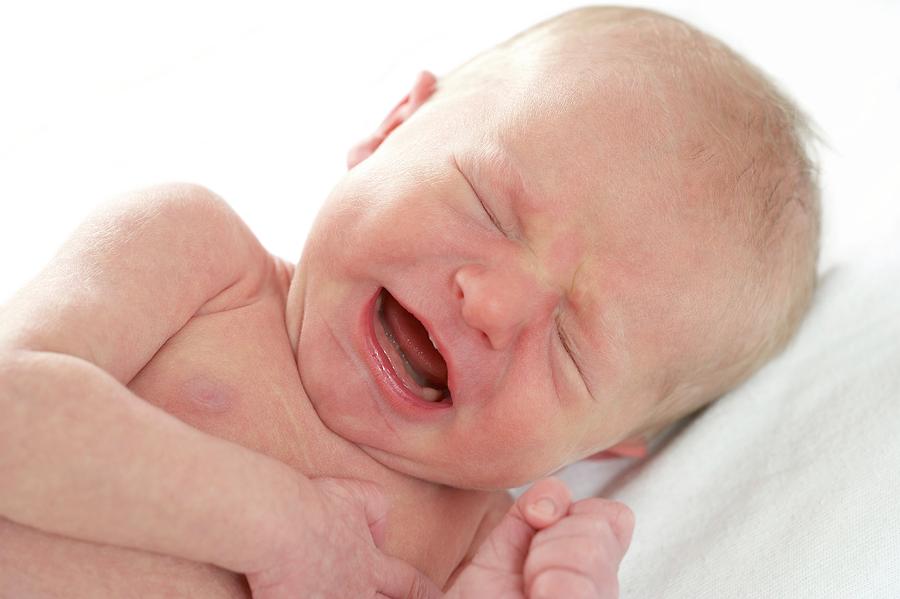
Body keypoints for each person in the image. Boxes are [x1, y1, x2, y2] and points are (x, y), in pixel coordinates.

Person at [0, 5, 819, 598]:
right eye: (488, 205)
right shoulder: (198, 261)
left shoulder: (477, 553)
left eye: (572, 341)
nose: (492, 304)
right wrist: (273, 522)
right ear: (394, 129)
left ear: (605, 444)